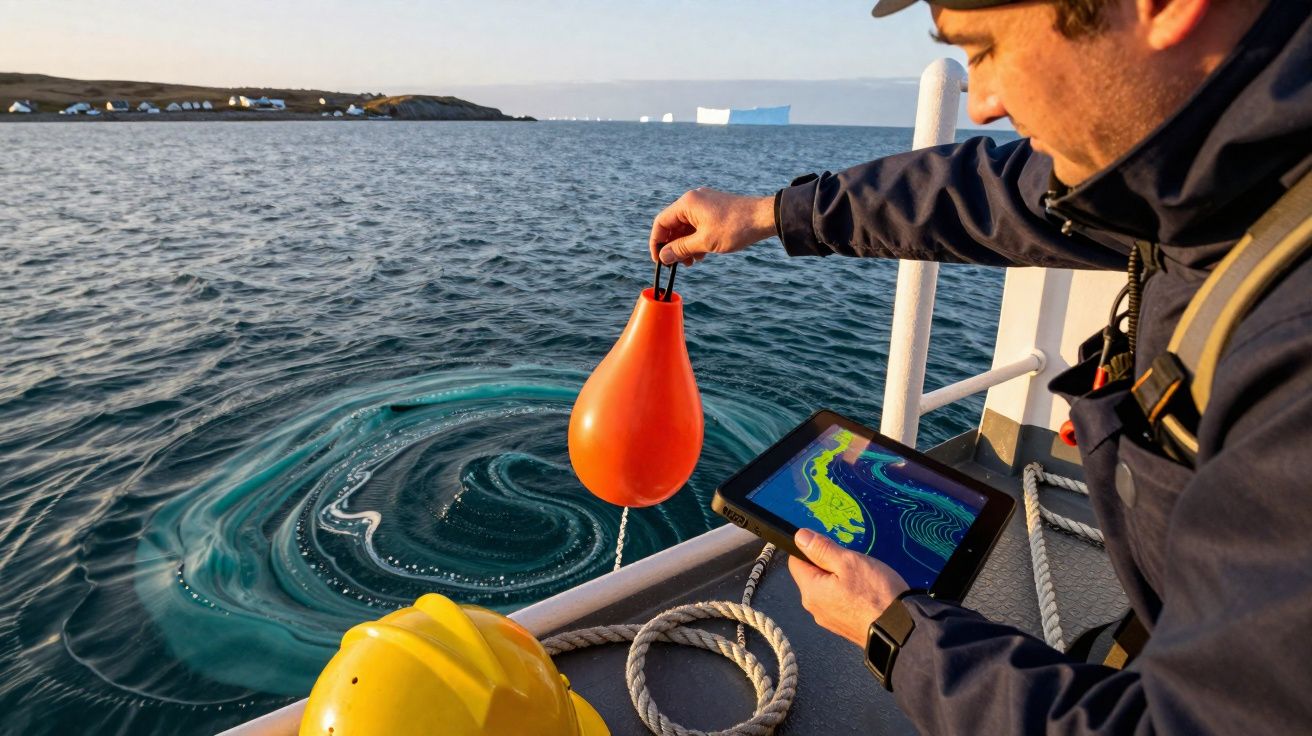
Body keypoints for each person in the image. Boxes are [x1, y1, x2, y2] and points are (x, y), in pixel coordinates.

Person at [648, 0, 1311, 732]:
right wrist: (771, 213)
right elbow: (993, 195)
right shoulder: (1217, 171)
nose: (984, 103)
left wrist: (898, 631)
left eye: (987, 46)